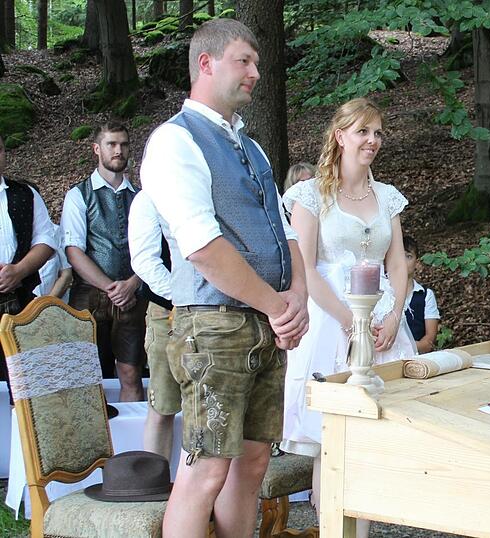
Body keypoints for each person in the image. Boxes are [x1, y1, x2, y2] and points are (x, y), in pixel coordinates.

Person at [139, 19, 308, 537]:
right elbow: (202, 249)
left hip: (265, 325)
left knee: (253, 463)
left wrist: (297, 297)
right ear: (206, 63)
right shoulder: (174, 141)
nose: (256, 72)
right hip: (211, 328)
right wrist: (278, 306)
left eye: (257, 62)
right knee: (206, 469)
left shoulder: (251, 148)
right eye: (245, 60)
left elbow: (286, 232)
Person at [281, 97, 416, 536]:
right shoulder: (310, 195)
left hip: (381, 323)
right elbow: (304, 268)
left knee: (372, 441)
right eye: (363, 131)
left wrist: (395, 314)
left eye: (378, 132)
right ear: (339, 136)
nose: (373, 141)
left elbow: (397, 265)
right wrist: (348, 321)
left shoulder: (387, 198)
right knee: (332, 443)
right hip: (330, 321)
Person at [61, 122, 147, 401]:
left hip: (133, 295)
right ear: (97, 149)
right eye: (111, 144)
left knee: (131, 374)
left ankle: (131, 445)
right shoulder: (78, 195)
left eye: (123, 144)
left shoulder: (142, 198)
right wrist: (112, 288)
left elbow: (153, 250)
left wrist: (132, 284)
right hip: (88, 297)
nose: (118, 150)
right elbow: (74, 251)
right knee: (85, 379)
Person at [0, 134, 56, 402]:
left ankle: (24, 445)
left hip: (19, 304)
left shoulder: (24, 194)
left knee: (25, 392)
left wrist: (19, 271)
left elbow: (46, 241)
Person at [127, 190, 177, 461]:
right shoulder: (149, 198)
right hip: (166, 310)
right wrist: (181, 297)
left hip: (214, 311)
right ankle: (155, 489)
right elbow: (146, 261)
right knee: (162, 405)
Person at [402, 235, 440, 354]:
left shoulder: (426, 295)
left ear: (417, 263)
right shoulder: (383, 294)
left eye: (408, 256)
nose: (402, 261)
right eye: (399, 256)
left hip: (418, 359)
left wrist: (405, 348)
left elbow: (429, 341)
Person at [33, 223, 72, 302]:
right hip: (22, 308)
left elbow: (66, 275)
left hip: (55, 307)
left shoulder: (55, 231)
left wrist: (46, 305)